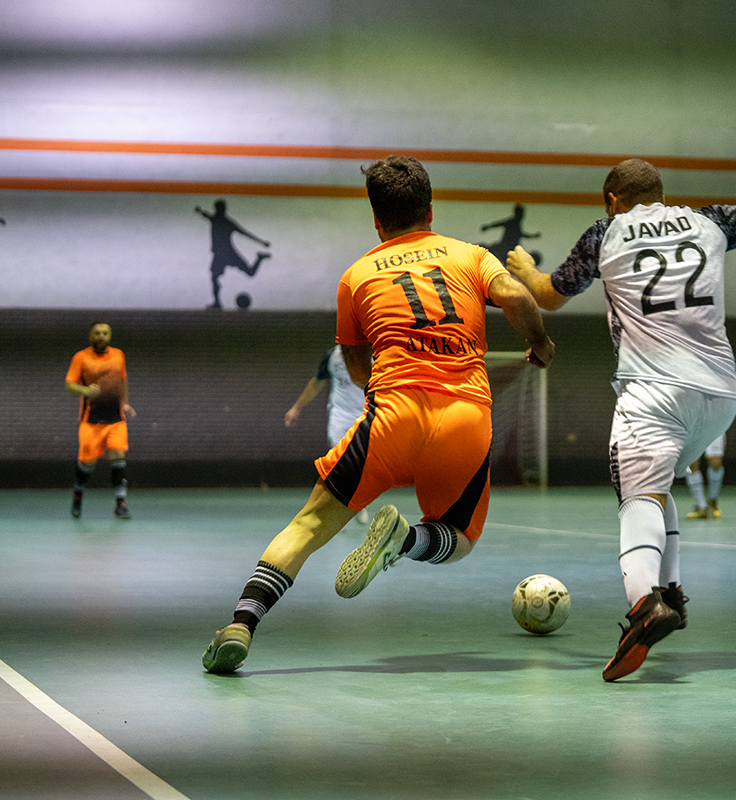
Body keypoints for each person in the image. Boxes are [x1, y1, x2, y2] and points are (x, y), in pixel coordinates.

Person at [506, 158, 736, 681]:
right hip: (720, 395)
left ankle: (644, 607)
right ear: (660, 193)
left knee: (636, 496)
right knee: (658, 488)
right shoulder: (708, 220)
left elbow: (549, 297)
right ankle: (671, 592)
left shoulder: (605, 234)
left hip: (655, 391)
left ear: (612, 200)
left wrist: (525, 271)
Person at [203, 156, 554, 674]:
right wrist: (540, 343)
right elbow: (517, 296)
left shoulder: (356, 276)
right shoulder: (471, 256)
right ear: (430, 209)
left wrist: (385, 395)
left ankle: (241, 624)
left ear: (376, 219)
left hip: (392, 418)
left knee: (308, 525)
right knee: (459, 540)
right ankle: (406, 540)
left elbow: (353, 362)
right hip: (465, 418)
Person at [285, 346, 374, 524]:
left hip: (365, 415)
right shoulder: (332, 356)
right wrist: (296, 407)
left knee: (361, 464)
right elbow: (317, 382)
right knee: (339, 461)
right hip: (339, 417)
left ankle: (356, 500)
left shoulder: (373, 355)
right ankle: (344, 505)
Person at [64, 321, 136, 519]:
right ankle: (78, 495)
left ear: (110, 336)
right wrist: (85, 390)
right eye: (97, 333)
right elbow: (69, 385)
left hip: (116, 420)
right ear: (91, 336)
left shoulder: (118, 355)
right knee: (87, 465)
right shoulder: (81, 357)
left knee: (119, 456)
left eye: (105, 333)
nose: (101, 336)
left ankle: (120, 504)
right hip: (91, 421)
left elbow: (123, 379)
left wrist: (125, 403)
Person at [194, 199, 271, 309]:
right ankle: (217, 303)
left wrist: (261, 242)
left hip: (226, 253)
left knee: (247, 273)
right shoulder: (217, 220)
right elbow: (205, 215)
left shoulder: (224, 222)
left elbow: (244, 233)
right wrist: (199, 211)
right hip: (221, 254)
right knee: (214, 277)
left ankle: (259, 258)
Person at [684, 433, 725, 520]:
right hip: (692, 428)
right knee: (692, 463)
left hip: (714, 427)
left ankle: (713, 500)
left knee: (716, 463)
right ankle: (701, 507)